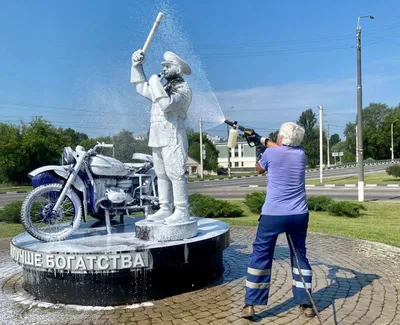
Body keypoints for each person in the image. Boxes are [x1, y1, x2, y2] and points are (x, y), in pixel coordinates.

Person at [242, 122, 314, 319]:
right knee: (299, 256)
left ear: (281, 138)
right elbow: (281, 147)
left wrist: (258, 146)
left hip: (273, 215)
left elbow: (259, 170)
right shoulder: (300, 154)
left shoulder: (270, 154)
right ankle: (306, 303)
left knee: (260, 256)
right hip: (298, 215)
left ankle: (250, 305)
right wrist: (261, 139)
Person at [131, 49, 192, 224]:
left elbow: (166, 105)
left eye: (168, 66)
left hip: (173, 136)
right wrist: (136, 65)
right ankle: (165, 208)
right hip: (158, 136)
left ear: (178, 69)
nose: (164, 69)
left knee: (175, 173)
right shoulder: (164, 87)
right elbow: (141, 87)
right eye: (163, 66)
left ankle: (182, 210)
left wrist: (154, 83)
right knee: (161, 174)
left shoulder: (183, 89)